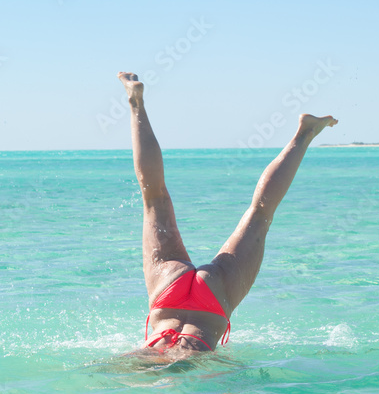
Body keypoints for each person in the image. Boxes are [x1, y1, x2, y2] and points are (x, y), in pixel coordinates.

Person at [118, 71, 337, 356]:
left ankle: (305, 133)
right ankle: (137, 105)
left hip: (214, 297)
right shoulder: (159, 356)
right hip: (167, 288)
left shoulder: (181, 357)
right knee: (154, 197)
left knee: (261, 215)